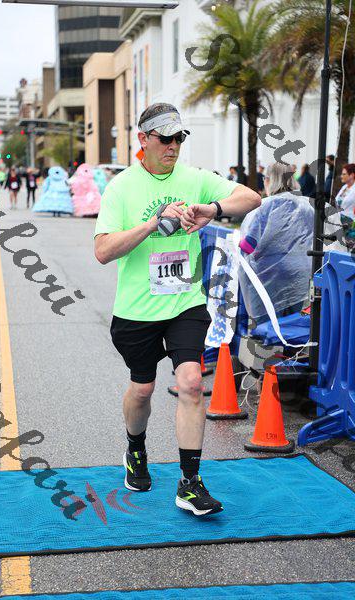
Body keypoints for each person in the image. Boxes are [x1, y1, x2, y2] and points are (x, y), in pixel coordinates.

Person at [94, 102, 260, 516]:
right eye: (165, 138)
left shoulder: (194, 178)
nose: (173, 146)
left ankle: (189, 482)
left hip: (185, 302)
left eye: (179, 138)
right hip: (136, 309)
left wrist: (212, 210)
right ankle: (135, 449)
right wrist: (152, 224)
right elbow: (102, 251)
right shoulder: (121, 188)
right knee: (143, 389)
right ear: (143, 139)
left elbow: (252, 197)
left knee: (190, 383)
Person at [239, 162, 314, 324]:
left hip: (270, 274)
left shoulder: (266, 206)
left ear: (269, 180)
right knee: (294, 324)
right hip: (300, 272)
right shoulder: (306, 206)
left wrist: (236, 241)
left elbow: (248, 245)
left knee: (269, 326)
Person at [335, 163, 355, 249]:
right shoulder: (344, 188)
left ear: (352, 175)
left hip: (351, 225)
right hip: (340, 223)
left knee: (350, 249)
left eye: (344, 174)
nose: (341, 176)